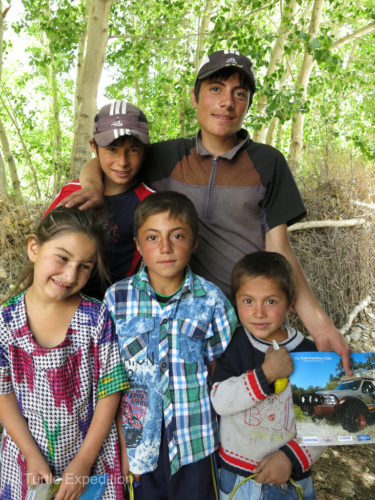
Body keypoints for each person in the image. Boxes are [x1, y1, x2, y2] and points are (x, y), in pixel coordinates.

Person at [61, 50, 351, 372]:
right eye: (215, 89)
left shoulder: (268, 163)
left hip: (247, 321)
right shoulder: (166, 156)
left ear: (248, 104)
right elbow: (109, 158)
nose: (227, 102)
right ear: (195, 97)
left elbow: (279, 250)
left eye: (239, 94)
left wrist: (321, 326)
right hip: (182, 324)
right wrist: (91, 187)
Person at [103, 191, 237, 500]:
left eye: (177, 236)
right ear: (137, 245)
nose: (165, 248)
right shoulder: (116, 300)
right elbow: (110, 380)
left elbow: (222, 375)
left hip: (196, 443)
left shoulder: (212, 300)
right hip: (138, 445)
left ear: (194, 242)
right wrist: (122, 446)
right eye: (152, 237)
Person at [0, 207, 129, 500]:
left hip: (90, 458)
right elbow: (3, 397)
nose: (71, 274)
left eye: (85, 266)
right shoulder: (4, 323)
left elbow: (110, 393)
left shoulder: (96, 319)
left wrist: (83, 462)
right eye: (62, 257)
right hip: (25, 461)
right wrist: (32, 454)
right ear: (34, 247)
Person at [211, 251, 324, 500]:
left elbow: (323, 424)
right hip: (236, 478)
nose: (258, 312)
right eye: (248, 301)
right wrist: (265, 375)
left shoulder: (308, 352)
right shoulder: (233, 343)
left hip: (292, 479)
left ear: (290, 302)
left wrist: (289, 458)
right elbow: (220, 400)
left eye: (271, 301)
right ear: (235, 301)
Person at [46, 100, 154, 299]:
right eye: (112, 149)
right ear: (93, 146)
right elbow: (44, 246)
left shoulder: (149, 203)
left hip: (115, 306)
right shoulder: (71, 192)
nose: (122, 162)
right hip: (62, 297)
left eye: (133, 150)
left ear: (145, 151)